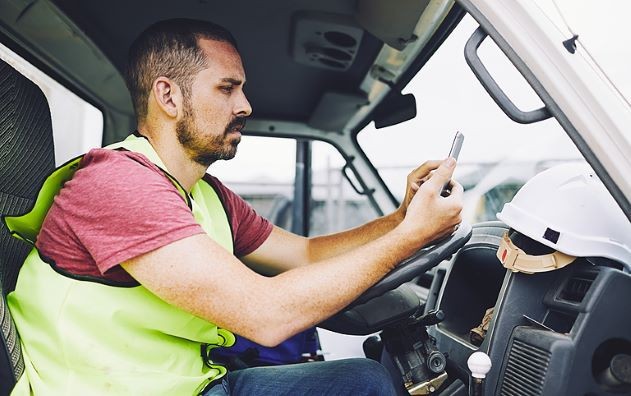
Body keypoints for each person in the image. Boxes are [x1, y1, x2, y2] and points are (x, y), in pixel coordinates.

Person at [6, 18, 463, 395]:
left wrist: (404, 218)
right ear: (169, 96)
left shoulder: (207, 194)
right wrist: (410, 237)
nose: (245, 104)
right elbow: (266, 316)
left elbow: (305, 253)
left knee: (365, 380)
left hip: (194, 383)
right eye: (227, 88)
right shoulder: (118, 184)